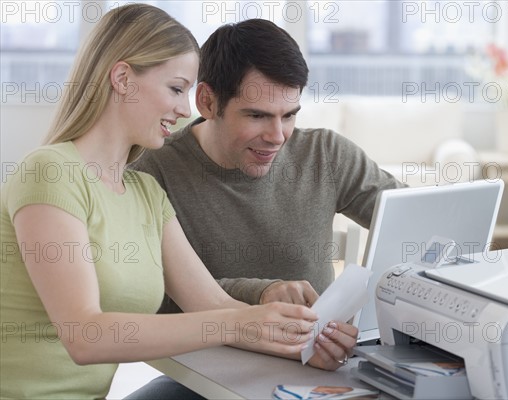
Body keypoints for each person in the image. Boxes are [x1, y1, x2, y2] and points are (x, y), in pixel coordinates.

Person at [0, 5, 349, 400]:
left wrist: (305, 341)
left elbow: (214, 304)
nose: (186, 110)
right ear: (123, 79)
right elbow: (85, 334)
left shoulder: (145, 194)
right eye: (176, 88)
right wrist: (241, 324)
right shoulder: (50, 172)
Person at [131, 16, 405, 353]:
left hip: (313, 366)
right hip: (203, 373)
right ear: (207, 101)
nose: (277, 137)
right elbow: (154, 303)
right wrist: (259, 292)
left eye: (289, 115)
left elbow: (412, 220)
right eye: (257, 115)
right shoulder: (153, 173)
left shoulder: (326, 156)